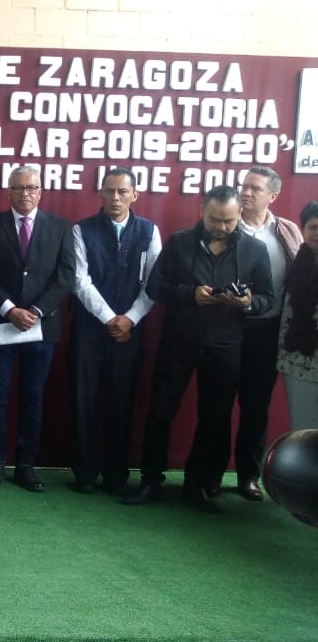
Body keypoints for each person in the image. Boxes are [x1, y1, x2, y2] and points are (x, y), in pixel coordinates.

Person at [123, 186, 274, 513]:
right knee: (161, 410)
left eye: (228, 221)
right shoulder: (179, 242)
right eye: (214, 219)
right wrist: (189, 293)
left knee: (214, 418)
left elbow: (268, 298)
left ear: (239, 215)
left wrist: (248, 303)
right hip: (179, 341)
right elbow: (155, 287)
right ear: (201, 211)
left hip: (226, 345)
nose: (221, 226)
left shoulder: (254, 249)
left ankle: (196, 485)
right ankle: (150, 481)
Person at [0, 166, 75, 492]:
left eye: (31, 187)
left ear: (40, 191)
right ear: (8, 192)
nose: (25, 193)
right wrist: (9, 309)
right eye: (18, 188)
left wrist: (35, 311)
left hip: (41, 327)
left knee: (33, 397)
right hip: (1, 322)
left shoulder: (61, 227)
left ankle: (26, 466)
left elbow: (65, 277)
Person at [69, 168, 162, 494]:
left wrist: (130, 319)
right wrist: (111, 319)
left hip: (130, 332)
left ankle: (115, 474)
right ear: (101, 193)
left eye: (123, 191)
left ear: (135, 194)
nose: (116, 198)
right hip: (89, 332)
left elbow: (154, 282)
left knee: (122, 402)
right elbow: (80, 281)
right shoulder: (82, 229)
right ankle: (85, 473)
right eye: (109, 191)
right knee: (83, 402)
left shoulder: (149, 231)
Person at [215, 166, 301, 500]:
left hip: (267, 331)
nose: (246, 193)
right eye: (244, 186)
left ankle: (248, 476)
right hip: (226, 327)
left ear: (273, 196)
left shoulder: (287, 231)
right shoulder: (225, 227)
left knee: (256, 406)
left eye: (255, 188)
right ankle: (211, 474)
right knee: (219, 403)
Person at [279, 201, 318, 432]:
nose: (317, 233)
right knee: (303, 431)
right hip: (298, 363)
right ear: (303, 230)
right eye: (313, 227)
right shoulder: (296, 264)